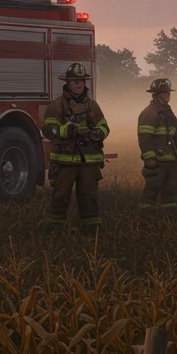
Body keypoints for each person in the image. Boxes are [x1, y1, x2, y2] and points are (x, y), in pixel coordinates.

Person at [41, 62, 110, 231]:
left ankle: (91, 231)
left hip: (88, 161)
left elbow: (104, 125)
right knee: (60, 196)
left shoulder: (92, 105)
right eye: (75, 81)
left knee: (89, 197)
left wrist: (99, 133)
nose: (79, 84)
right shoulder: (57, 105)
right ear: (68, 83)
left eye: (81, 81)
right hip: (65, 161)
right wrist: (65, 130)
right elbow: (48, 129)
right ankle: (55, 231)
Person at [137, 77, 177, 213]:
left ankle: (169, 219)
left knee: (170, 192)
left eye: (168, 92)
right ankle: (145, 221)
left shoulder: (167, 111)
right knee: (151, 192)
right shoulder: (149, 113)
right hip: (157, 161)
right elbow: (144, 138)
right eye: (164, 92)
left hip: (170, 159)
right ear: (155, 95)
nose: (167, 95)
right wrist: (149, 158)